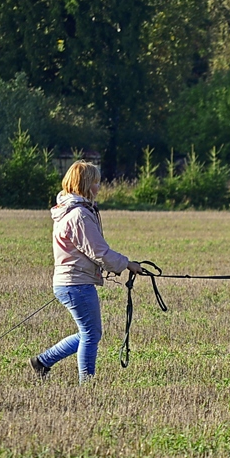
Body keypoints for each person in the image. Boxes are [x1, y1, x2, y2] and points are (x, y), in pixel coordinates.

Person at [29, 160, 143, 383]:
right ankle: (87, 384)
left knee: (87, 333)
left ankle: (42, 362)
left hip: (71, 282)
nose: (98, 187)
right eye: (96, 182)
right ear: (85, 184)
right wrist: (127, 264)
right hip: (76, 284)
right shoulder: (79, 215)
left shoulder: (70, 211)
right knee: (91, 334)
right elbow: (98, 251)